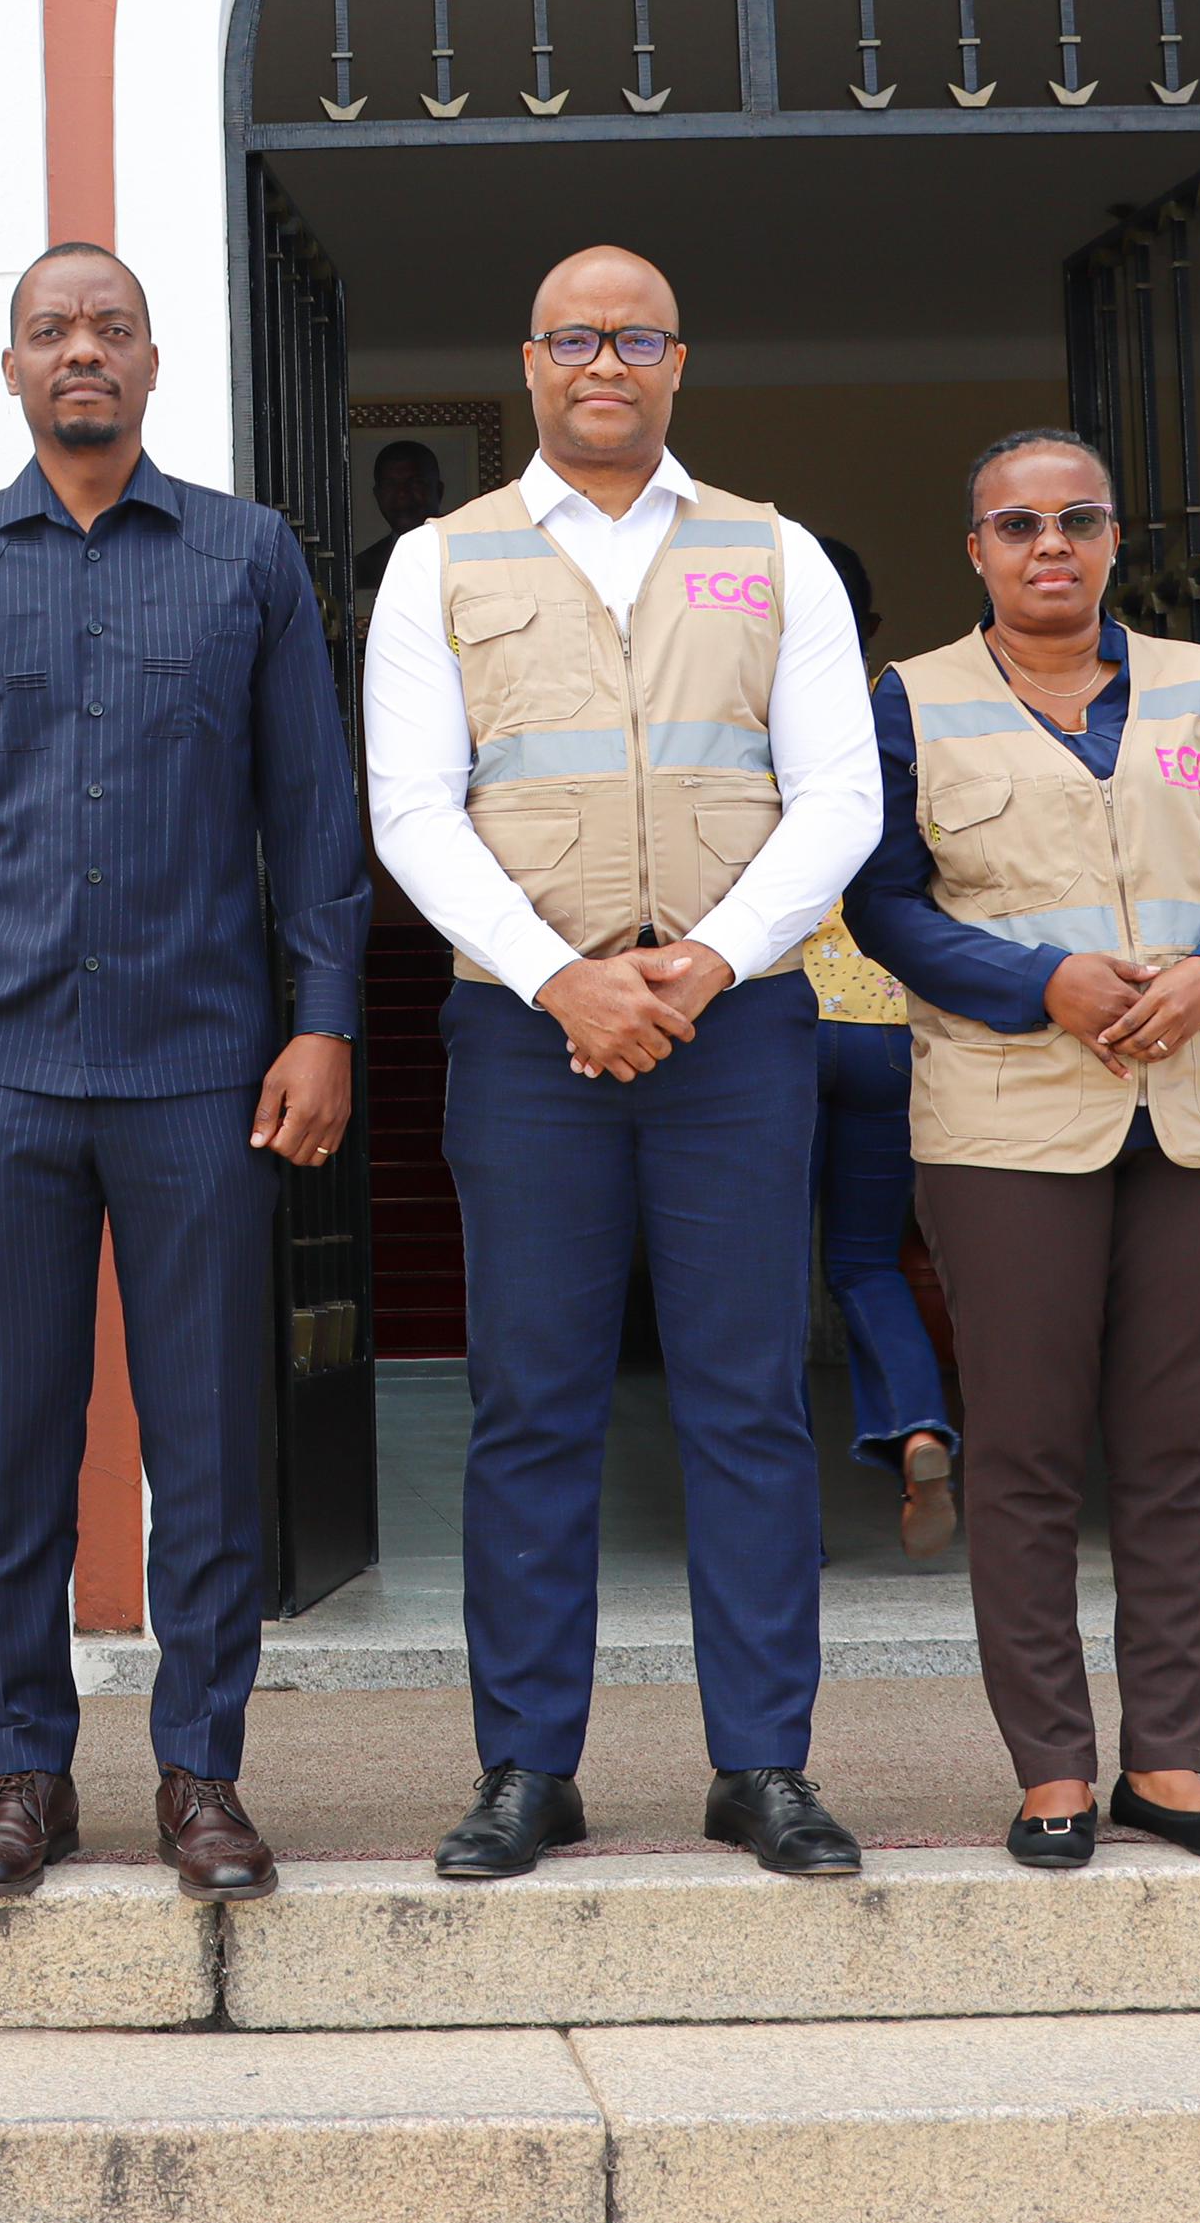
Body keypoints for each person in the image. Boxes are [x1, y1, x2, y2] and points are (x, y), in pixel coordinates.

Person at [0, 241, 365, 1905]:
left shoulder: (248, 559)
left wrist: (322, 1016)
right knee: (16, 1439)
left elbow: (314, 812)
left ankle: (200, 1771)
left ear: (155, 365)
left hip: (201, 1073)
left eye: (112, 329)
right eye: (51, 330)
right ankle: (25, 1772)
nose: (84, 351)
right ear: (10, 367)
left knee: (207, 1439)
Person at [364, 244, 878, 1883]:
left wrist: (711, 961)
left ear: (678, 363)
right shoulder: (438, 566)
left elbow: (842, 796)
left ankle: (764, 1766)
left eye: (637, 336)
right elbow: (411, 810)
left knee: (747, 1404)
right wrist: (561, 980)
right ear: (527, 363)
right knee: (531, 1407)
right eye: (577, 335)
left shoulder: (774, 551)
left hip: (737, 1031)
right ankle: (527, 1767)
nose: (607, 359)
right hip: (527, 1038)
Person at [844, 429, 1200, 1869]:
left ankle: (1167, 1764)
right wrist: (1035, 984)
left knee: (1180, 1450)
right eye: (1019, 524)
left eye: (1080, 519)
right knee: (1031, 1450)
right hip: (1008, 1114)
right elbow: (884, 900)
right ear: (974, 550)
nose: (1052, 544)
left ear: (1113, 541)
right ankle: (1052, 1767)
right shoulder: (912, 702)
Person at [797, 535, 958, 1557]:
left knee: (753, 1269)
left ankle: (771, 1513)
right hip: (895, 1028)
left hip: (778, 1024)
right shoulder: (909, 718)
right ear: (870, 629)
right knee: (866, 1260)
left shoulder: (750, 715)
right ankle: (917, 1431)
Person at [351, 438, 446, 591]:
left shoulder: (466, 555)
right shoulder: (361, 569)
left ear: (438, 491)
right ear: (377, 495)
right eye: (390, 485)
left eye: (415, 483)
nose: (402, 494)